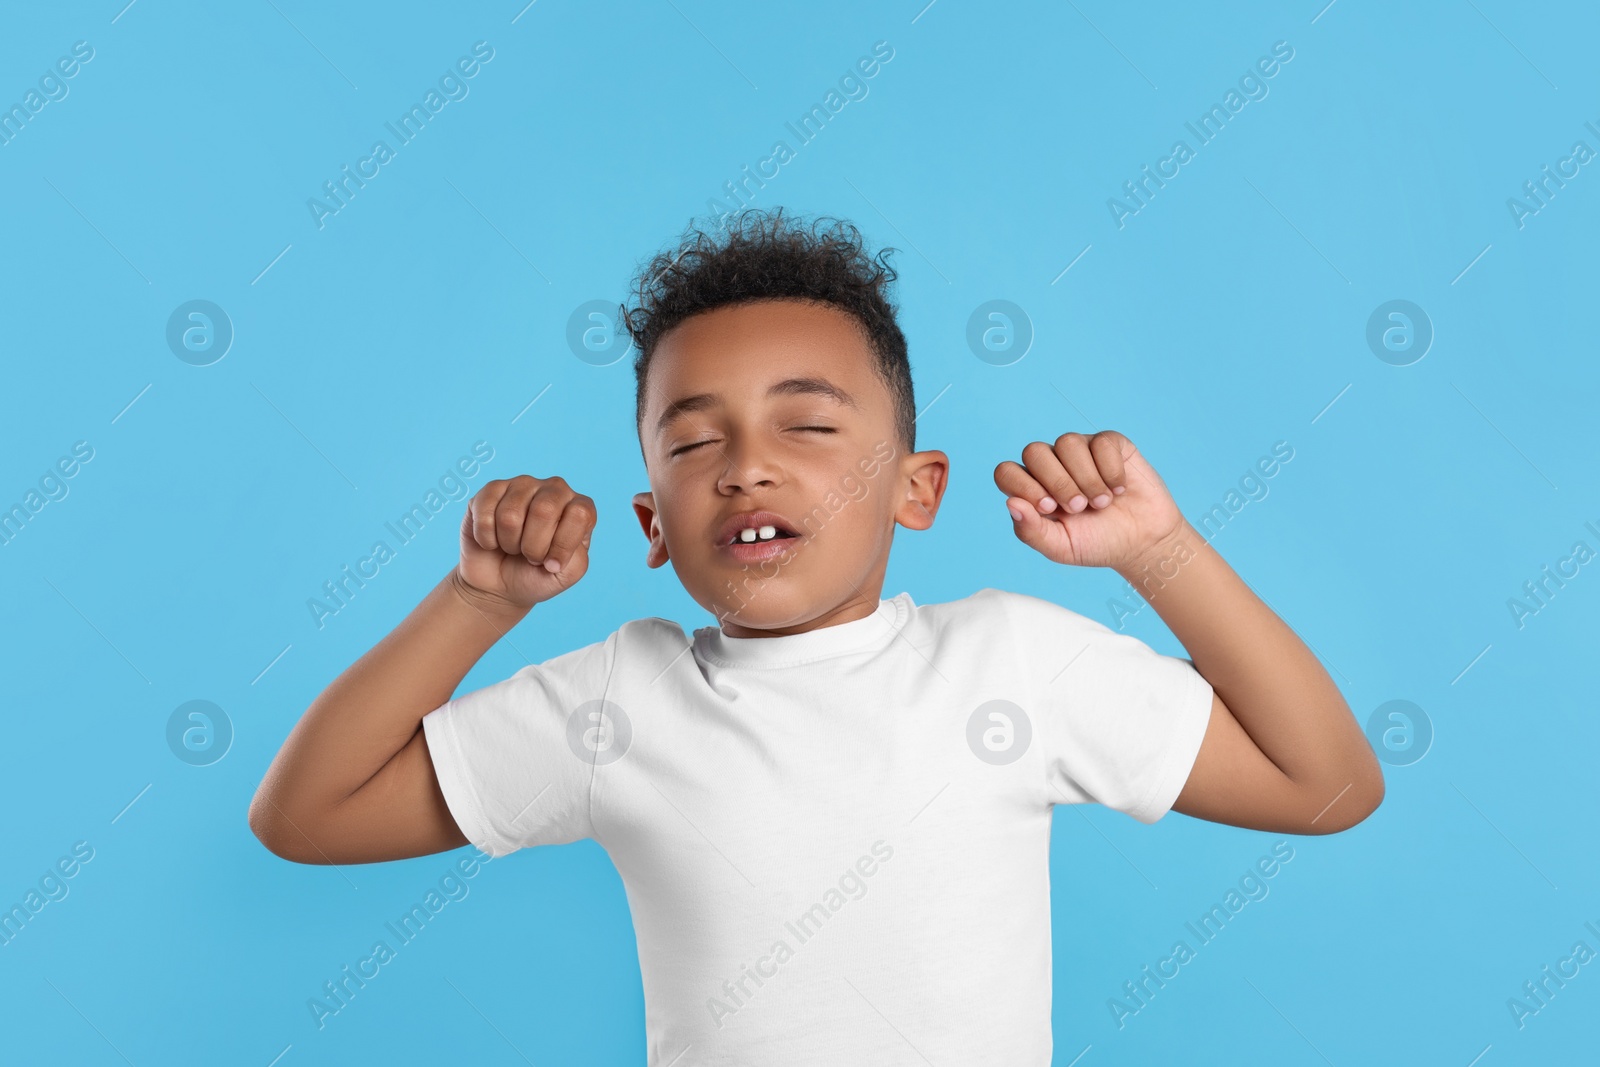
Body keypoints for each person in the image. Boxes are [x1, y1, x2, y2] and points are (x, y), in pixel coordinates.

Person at [248, 207, 1384, 1064]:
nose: (748, 463)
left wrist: (1159, 551)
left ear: (915, 488)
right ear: (652, 520)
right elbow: (306, 814)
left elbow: (1324, 783)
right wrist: (478, 603)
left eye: (807, 422)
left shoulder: (1014, 661)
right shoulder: (621, 697)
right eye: (694, 443)